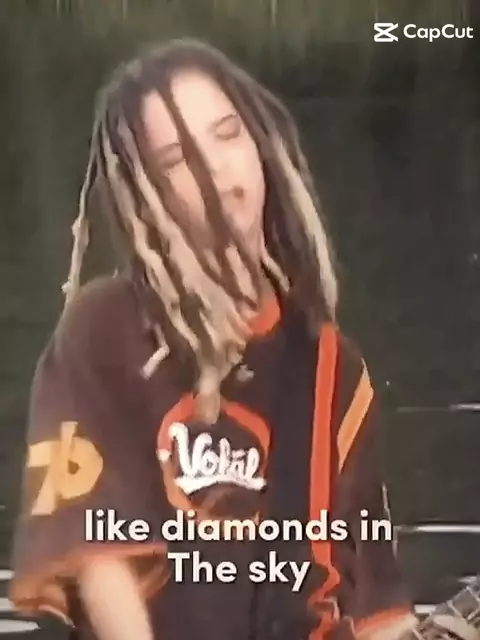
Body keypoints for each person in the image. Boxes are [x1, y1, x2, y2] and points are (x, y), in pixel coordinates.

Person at [9, 38, 417, 640]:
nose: (216, 169)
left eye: (227, 134)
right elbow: (99, 560)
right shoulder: (102, 333)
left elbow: (379, 606)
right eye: (177, 159)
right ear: (144, 193)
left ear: (261, 144)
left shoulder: (334, 369)